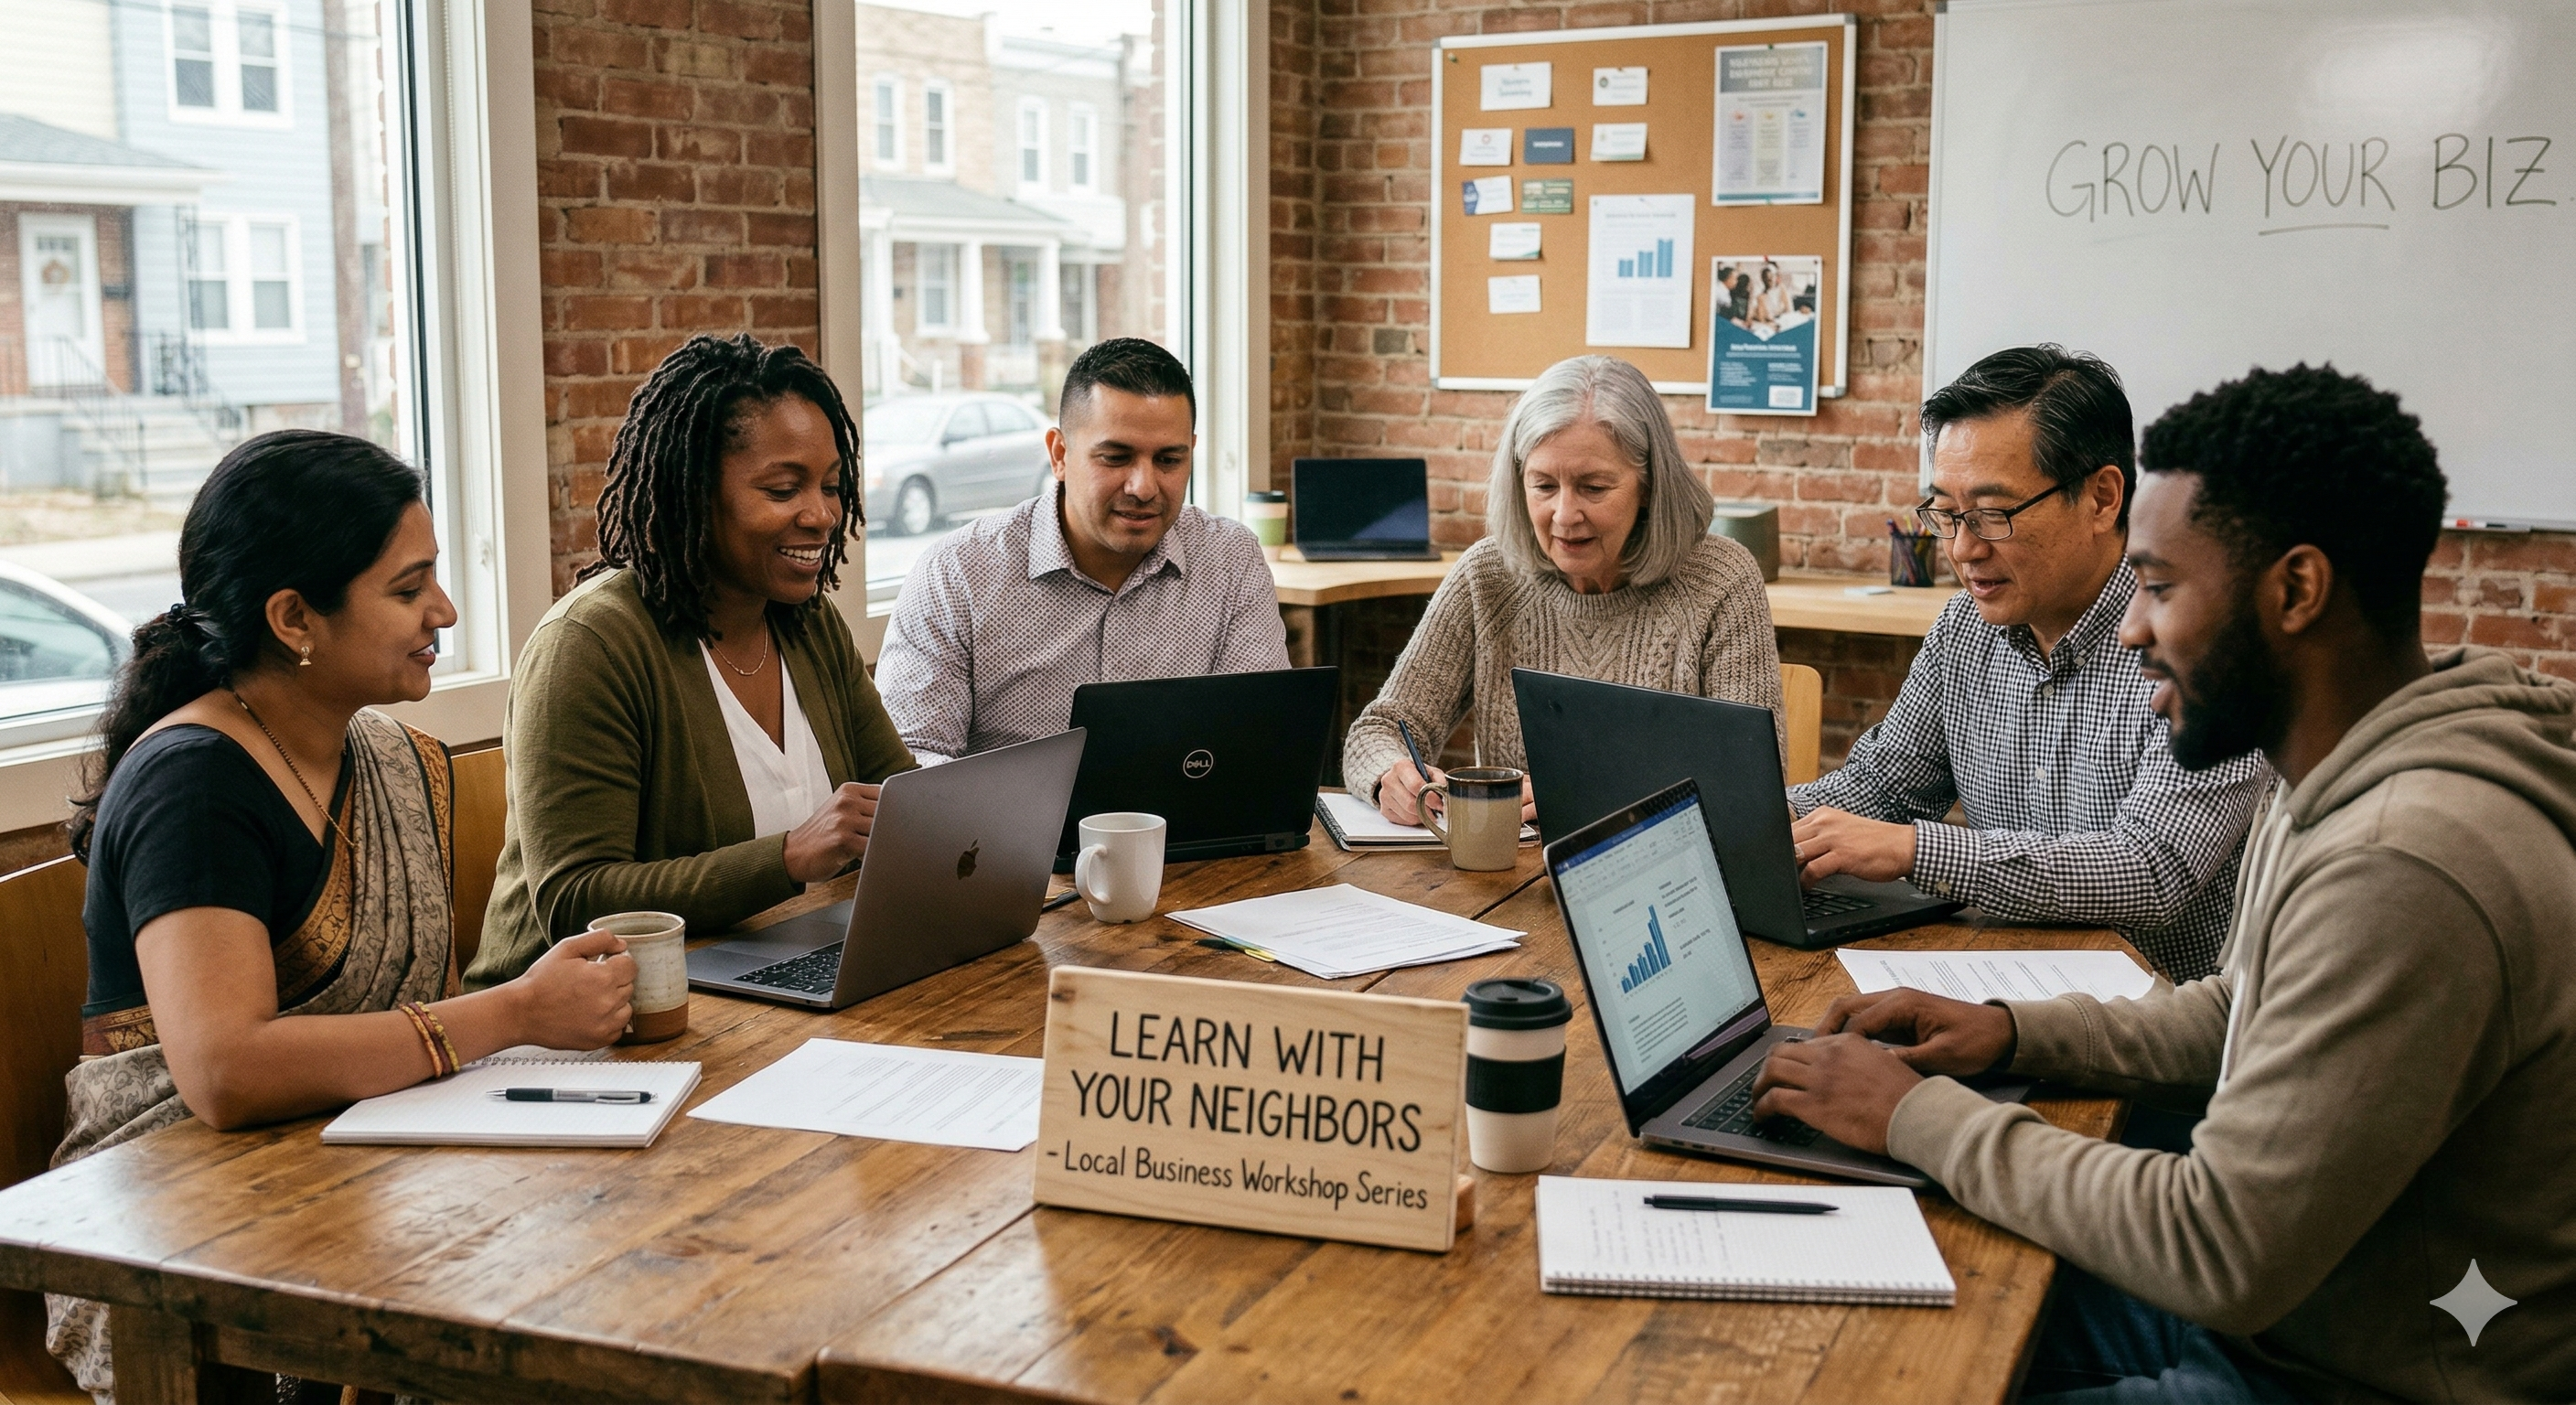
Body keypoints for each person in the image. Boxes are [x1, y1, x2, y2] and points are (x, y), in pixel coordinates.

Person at [1751, 364, 2576, 1403]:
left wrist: (1916, 1118)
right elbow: (2244, 1014)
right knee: (1855, 1308)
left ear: (2293, 591)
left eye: (2161, 588)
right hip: (2294, 1312)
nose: (2131, 631)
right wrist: (2009, 1032)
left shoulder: (2400, 861)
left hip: (2327, 1370)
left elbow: (2215, 1245)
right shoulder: (2348, 768)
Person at [48, 432, 635, 1396]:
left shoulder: (394, 759)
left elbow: (422, 1027)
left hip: (369, 1164)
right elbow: (225, 1075)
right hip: (174, 1220)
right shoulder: (193, 784)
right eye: (408, 590)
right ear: (293, 617)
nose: (443, 612)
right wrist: (519, 1014)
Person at [1787, 345, 2268, 981]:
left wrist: (1914, 850)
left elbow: (2153, 868)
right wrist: (1748, 818)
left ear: (2101, 498)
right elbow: (1880, 789)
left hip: (2161, 1033)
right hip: (2000, 985)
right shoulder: (1965, 628)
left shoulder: (2204, 640)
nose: (1963, 549)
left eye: (1992, 514)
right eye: (1948, 514)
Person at [469, 334, 917, 985]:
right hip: (576, 1022)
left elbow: (900, 800)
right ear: (694, 491)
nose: (822, 515)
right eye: (784, 489)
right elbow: (575, 899)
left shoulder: (810, 626)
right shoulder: (590, 644)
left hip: (761, 981)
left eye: (831, 486)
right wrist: (789, 857)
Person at [1346, 354, 1781, 826]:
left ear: (1650, 486)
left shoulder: (1720, 579)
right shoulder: (1488, 574)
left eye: (1594, 488)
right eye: (1544, 486)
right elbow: (1380, 727)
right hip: (1507, 876)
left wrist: (1585, 798)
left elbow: (1753, 786)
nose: (1564, 515)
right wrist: (1389, 775)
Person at [875, 337, 1289, 760]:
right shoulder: (956, 574)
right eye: (1115, 457)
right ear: (1059, 453)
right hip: (1008, 828)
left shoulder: (1230, 559)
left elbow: (1259, 739)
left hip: (1189, 827)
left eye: (1168, 460)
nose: (1144, 487)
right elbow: (910, 760)